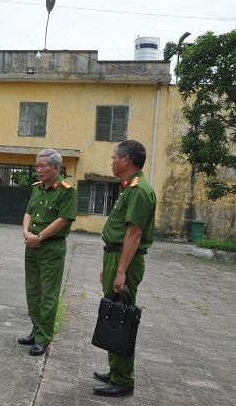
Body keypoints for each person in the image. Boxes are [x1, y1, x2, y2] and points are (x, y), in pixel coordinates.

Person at [93, 140, 155, 398]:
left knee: (122, 316)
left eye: (114, 157)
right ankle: (116, 371)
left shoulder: (140, 190)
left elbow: (134, 233)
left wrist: (120, 272)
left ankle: (123, 380)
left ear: (126, 160)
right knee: (114, 312)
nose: (111, 161)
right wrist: (110, 268)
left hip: (124, 259)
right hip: (116, 257)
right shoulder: (130, 188)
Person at [19, 149, 77, 356]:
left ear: (56, 168)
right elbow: (28, 212)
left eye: (43, 166)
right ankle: (35, 330)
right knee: (33, 291)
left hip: (51, 248)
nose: (38, 170)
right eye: (37, 166)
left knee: (48, 295)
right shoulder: (37, 188)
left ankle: (44, 337)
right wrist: (26, 232)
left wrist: (40, 237)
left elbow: (62, 220)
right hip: (31, 246)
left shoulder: (67, 191)